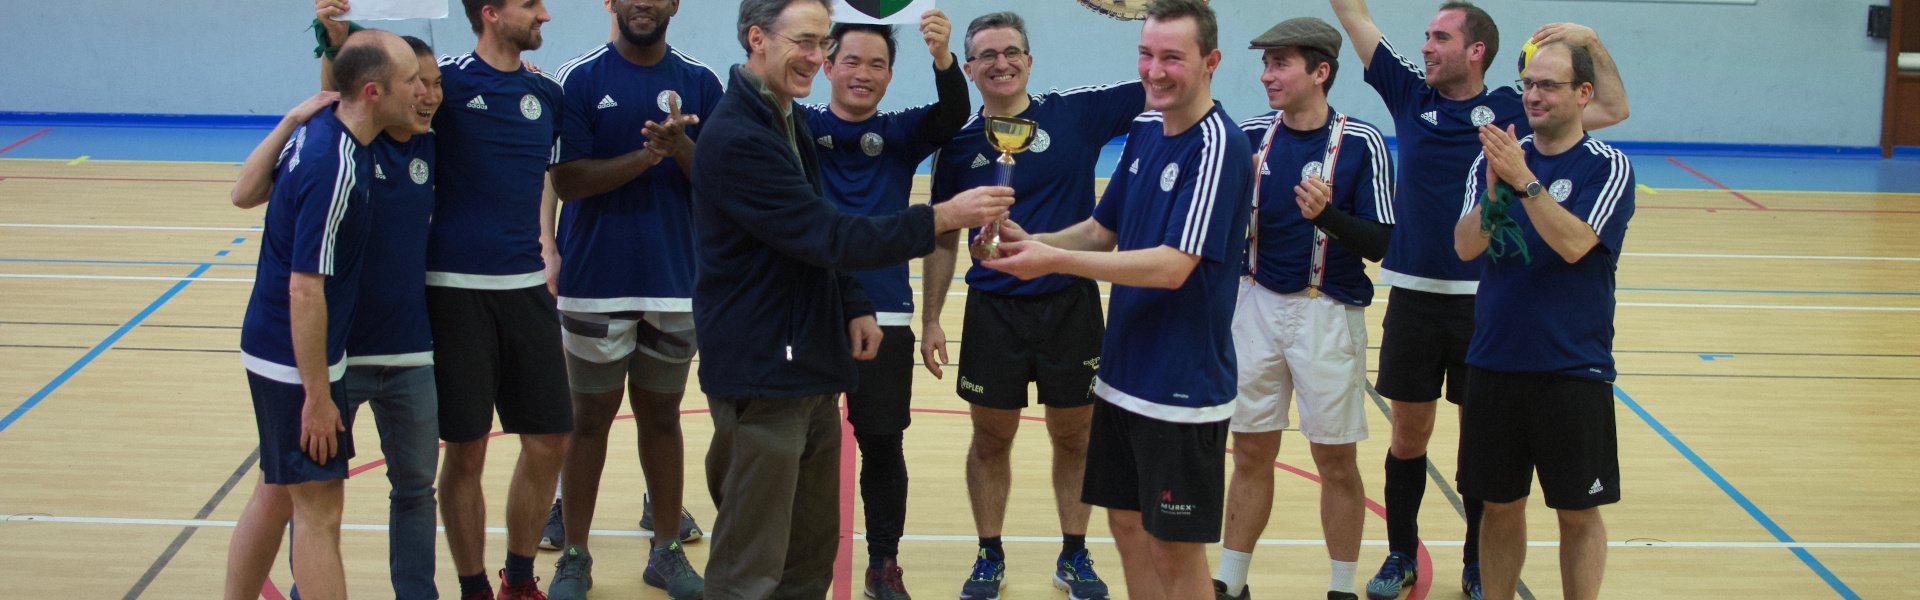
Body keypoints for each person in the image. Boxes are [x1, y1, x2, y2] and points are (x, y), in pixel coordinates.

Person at [688, 0, 1014, 597]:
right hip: (764, 368)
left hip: (809, 361)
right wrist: (940, 215)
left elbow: (818, 232)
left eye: (820, 42)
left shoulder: (783, 119)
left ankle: (879, 561)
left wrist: (853, 303)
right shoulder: (740, 134)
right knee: (750, 562)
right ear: (757, 38)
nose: (816, 57)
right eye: (807, 43)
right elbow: (827, 233)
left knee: (809, 555)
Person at [1321, 1, 1629, 596]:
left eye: (1441, 36)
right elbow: (1357, 23)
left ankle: (1476, 568)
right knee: (1420, 442)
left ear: (1476, 50)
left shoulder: (1524, 118)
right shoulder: (1415, 96)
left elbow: (1609, 108)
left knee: (1512, 477)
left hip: (1506, 322)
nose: (1428, 46)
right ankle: (1401, 555)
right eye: (1427, 36)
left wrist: (1590, 38)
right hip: (1420, 296)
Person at [979, 1, 1250, 597]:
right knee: (1126, 527)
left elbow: (1174, 266)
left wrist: (1056, 262)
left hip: (1181, 390)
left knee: (1176, 551)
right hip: (1123, 375)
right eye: (1146, 55)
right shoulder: (1147, 128)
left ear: (1211, 63)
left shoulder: (1219, 147)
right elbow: (1103, 228)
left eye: (1172, 58)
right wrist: (1033, 240)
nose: (1154, 70)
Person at [923, 11, 1145, 598]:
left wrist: (1167, 14)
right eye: (987, 55)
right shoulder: (958, 147)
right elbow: (943, 239)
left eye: (1011, 51)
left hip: (1069, 304)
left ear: (1029, 59)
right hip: (993, 311)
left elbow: (1161, 80)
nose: (1001, 63)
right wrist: (930, 320)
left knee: (1075, 437)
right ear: (968, 69)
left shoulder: (1076, 113)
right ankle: (989, 553)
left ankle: (1074, 554)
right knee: (991, 439)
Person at [225, 5, 445, 596]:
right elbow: (305, 287)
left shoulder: (317, 131)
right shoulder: (339, 166)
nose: (422, 91)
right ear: (374, 93)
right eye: (410, 83)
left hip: (271, 348)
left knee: (274, 495)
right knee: (318, 517)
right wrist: (319, 398)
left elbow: (241, 191)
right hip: (294, 361)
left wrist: (295, 114)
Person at [1212, 16, 1394, 600]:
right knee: (1250, 453)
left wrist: (1329, 218)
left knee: (1335, 460)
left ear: (1320, 72)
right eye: (1266, 64)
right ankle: (1231, 581)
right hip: (1254, 306)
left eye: (1280, 64)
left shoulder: (1362, 142)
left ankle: (1341, 587)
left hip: (1326, 313)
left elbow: (1385, 243)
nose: (1267, 75)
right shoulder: (1248, 136)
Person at [539, 0, 717, 596]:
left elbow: (718, 182)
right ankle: (575, 555)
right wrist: (651, 155)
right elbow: (568, 180)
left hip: (674, 282)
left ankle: (665, 551)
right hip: (595, 283)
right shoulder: (580, 79)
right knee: (588, 421)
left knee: (662, 418)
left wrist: (681, 148)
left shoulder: (700, 81)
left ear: (674, 5)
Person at [1452, 41, 1633, 600]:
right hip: (1495, 363)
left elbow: (1576, 244)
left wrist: (1526, 183)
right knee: (1499, 506)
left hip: (1571, 370)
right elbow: (1463, 248)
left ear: (1583, 95)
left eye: (1548, 85)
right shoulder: (1498, 156)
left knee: (1578, 512)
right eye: (1529, 83)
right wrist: (1493, 194)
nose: (1532, 95)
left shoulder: (1606, 166)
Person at [803, 10, 970, 598]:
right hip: (810, 309)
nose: (863, 73)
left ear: (891, 76)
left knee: (881, 444)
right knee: (800, 443)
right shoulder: (796, 124)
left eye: (877, 64)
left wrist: (944, 58)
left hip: (888, 314)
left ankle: (882, 563)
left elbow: (954, 115)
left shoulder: (900, 133)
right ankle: (803, 562)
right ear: (826, 65)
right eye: (851, 60)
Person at [430, 0, 570, 597]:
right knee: (465, 451)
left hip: (525, 290)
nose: (544, 14)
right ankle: (472, 587)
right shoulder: (444, 81)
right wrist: (332, 41)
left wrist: (547, 241)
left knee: (549, 439)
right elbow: (362, 104)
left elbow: (547, 174)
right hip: (454, 293)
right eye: (529, 4)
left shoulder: (549, 95)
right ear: (490, 13)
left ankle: (517, 577)